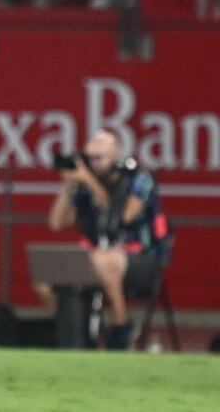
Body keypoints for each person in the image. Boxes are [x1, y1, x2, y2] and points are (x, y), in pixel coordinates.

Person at [47, 129, 169, 350]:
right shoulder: (86, 184)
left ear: (115, 155)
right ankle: (75, 334)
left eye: (98, 158)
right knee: (49, 273)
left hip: (143, 260)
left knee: (106, 261)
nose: (92, 164)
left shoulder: (138, 179)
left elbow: (122, 217)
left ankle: (123, 328)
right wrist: (68, 186)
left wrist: (89, 182)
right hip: (99, 257)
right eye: (88, 157)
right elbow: (56, 223)